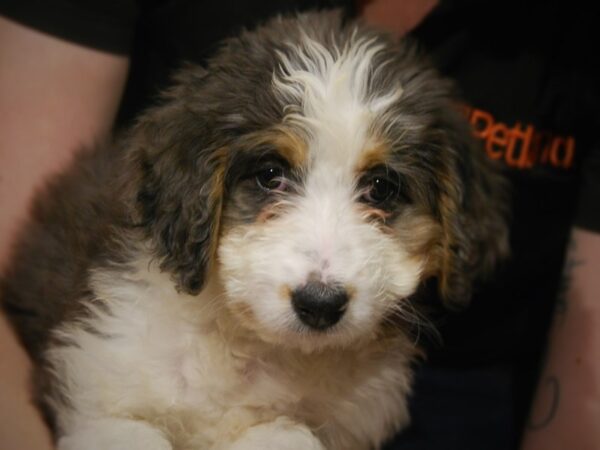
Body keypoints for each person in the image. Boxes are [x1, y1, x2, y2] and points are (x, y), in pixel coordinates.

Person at [0, 0, 598, 449]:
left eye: (382, 190)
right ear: (195, 191)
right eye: (270, 178)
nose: (322, 278)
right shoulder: (120, 344)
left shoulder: (362, 393)